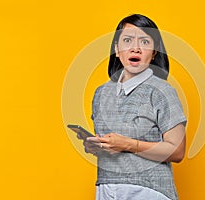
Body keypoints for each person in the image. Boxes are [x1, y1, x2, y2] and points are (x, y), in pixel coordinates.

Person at [79, 14, 187, 200]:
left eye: (145, 42)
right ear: (117, 49)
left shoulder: (161, 91)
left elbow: (177, 151)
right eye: (127, 40)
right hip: (106, 187)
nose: (135, 48)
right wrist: (95, 145)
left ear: (154, 52)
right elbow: (111, 144)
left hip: (148, 190)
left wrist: (128, 144)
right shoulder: (101, 93)